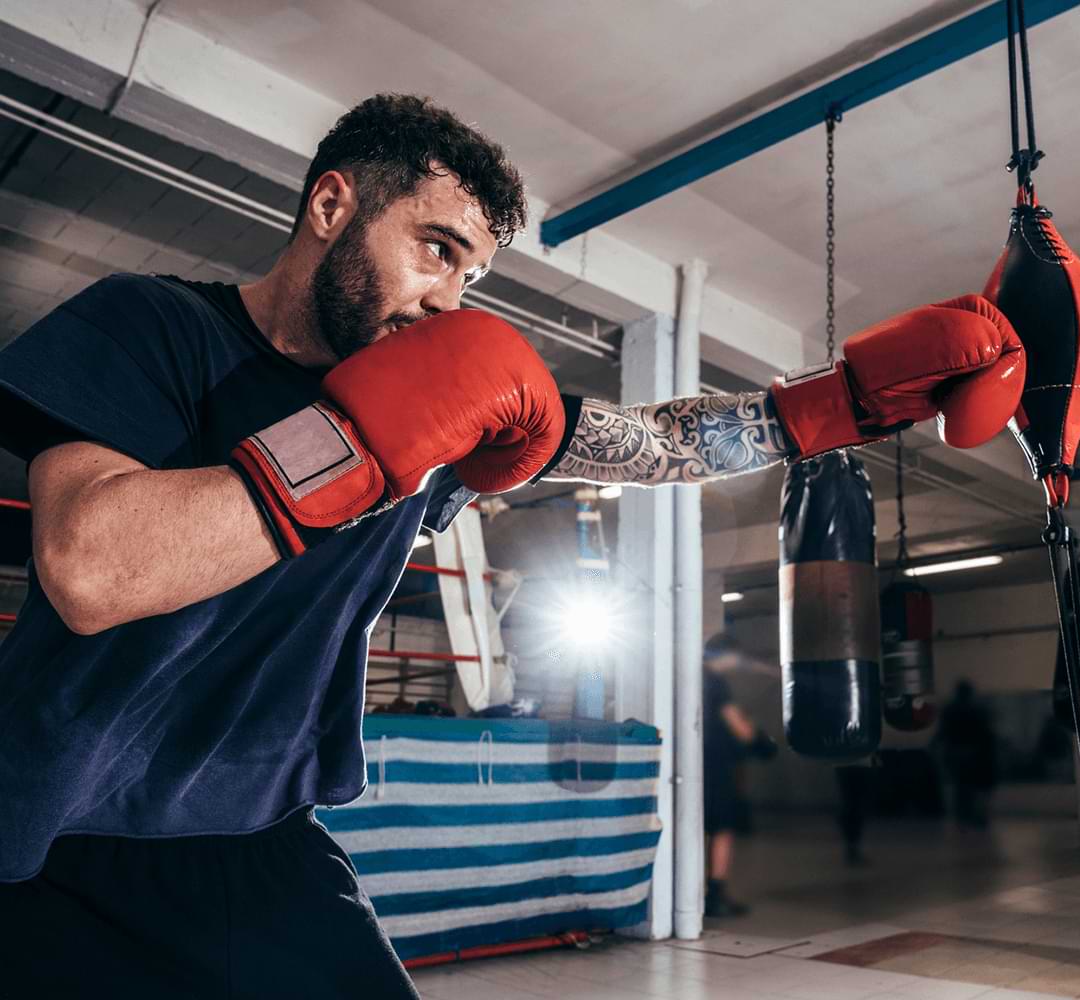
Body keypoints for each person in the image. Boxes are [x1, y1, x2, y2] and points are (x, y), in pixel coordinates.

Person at [0, 91, 1025, 995]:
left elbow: (657, 442)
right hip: (47, 838)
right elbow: (92, 567)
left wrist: (832, 405)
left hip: (255, 842)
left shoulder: (440, 414)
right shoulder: (154, 327)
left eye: (474, 275)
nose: (451, 301)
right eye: (436, 248)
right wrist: (353, 444)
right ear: (331, 205)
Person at [702, 633, 777, 917]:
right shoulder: (717, 683)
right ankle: (716, 895)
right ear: (727, 655)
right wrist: (760, 740)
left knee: (698, 827)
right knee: (722, 829)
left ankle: (694, 892)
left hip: (692, 764)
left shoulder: (691, 678)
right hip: (716, 765)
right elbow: (740, 728)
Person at [937, 681, 997, 828]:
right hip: (977, 755)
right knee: (977, 789)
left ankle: (963, 817)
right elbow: (986, 735)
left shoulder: (950, 710)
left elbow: (943, 733)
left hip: (957, 754)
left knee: (962, 788)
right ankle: (976, 817)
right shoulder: (978, 711)